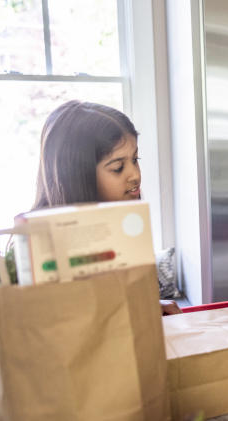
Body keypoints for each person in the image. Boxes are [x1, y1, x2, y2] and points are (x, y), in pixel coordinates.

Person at [33, 100, 183, 314]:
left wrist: (148, 307)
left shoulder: (126, 232)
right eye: (118, 167)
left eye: (135, 159)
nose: (135, 175)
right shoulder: (45, 252)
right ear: (79, 176)